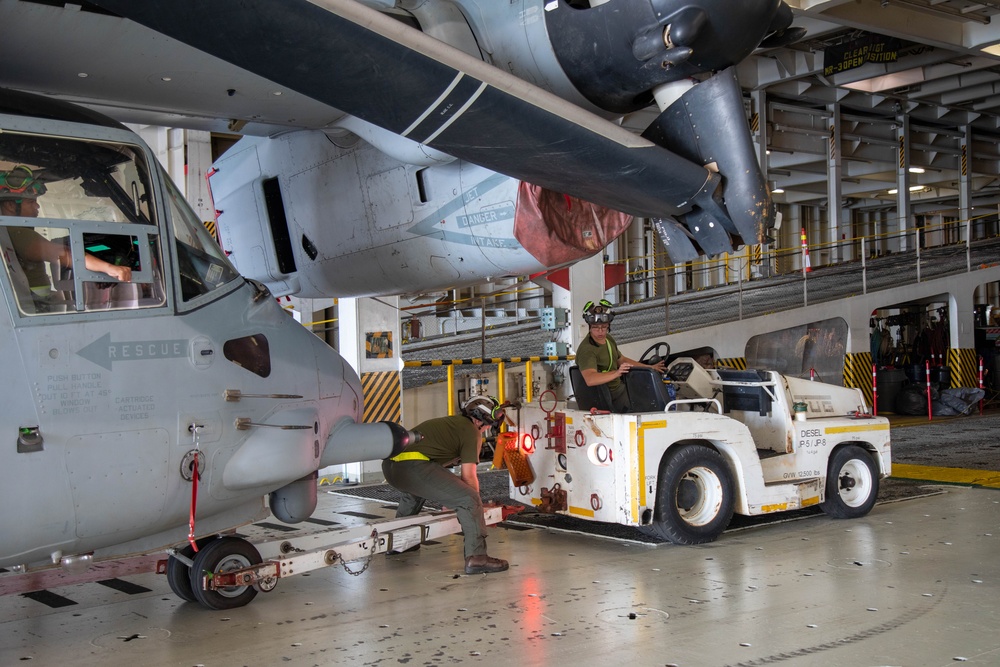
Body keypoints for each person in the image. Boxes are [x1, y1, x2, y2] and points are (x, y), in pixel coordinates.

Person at [381, 396, 510, 575]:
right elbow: (469, 476)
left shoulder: (453, 423)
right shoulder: (471, 432)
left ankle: (401, 543)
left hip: (392, 469)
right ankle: (477, 558)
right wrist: (478, 509)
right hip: (413, 468)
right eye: (490, 423)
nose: (489, 428)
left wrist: (451, 496)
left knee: (414, 492)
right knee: (469, 498)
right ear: (480, 419)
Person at [0, 165, 131, 310]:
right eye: (31, 202)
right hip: (36, 306)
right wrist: (110, 268)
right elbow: (64, 255)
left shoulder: (6, 232)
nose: (37, 207)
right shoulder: (18, 234)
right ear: (11, 205)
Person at [576, 299, 666, 413]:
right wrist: (617, 373)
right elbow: (590, 379)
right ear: (589, 327)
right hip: (610, 396)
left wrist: (649, 367)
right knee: (652, 406)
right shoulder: (587, 349)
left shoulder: (608, 339)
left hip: (620, 389)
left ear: (608, 325)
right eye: (595, 327)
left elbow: (622, 360)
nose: (600, 332)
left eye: (603, 327)